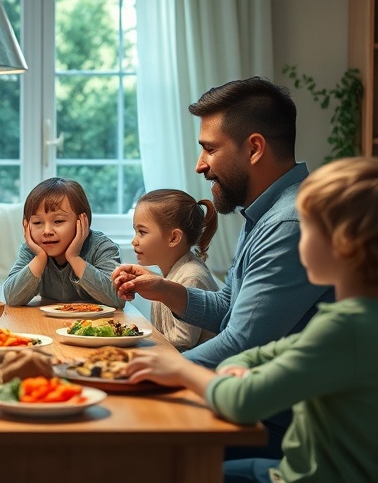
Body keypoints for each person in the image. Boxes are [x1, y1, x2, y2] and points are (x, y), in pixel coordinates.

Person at [124, 157, 378, 483]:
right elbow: (280, 350)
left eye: (309, 232)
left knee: (169, 468)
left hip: (307, 478)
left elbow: (243, 403)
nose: (299, 245)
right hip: (304, 471)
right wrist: (242, 362)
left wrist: (180, 369)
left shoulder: (345, 328)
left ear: (344, 246)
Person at [111, 77, 334, 458]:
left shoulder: (289, 223)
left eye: (209, 149)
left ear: (254, 148)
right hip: (258, 405)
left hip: (283, 430)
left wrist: (141, 371)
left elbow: (243, 342)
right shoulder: (266, 213)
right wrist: (164, 288)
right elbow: (228, 309)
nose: (200, 165)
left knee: (121, 446)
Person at [3, 177, 124, 307]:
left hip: (96, 324)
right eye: (38, 222)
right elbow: (11, 298)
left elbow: (117, 298)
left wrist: (74, 257)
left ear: (82, 221)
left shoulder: (102, 247)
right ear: (26, 225)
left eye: (58, 221)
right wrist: (39, 258)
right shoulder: (32, 250)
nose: (47, 231)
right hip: (47, 324)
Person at [131, 190, 220, 351]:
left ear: (173, 238)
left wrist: (138, 340)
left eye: (142, 232)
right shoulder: (174, 273)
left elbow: (182, 341)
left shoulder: (192, 277)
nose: (134, 241)